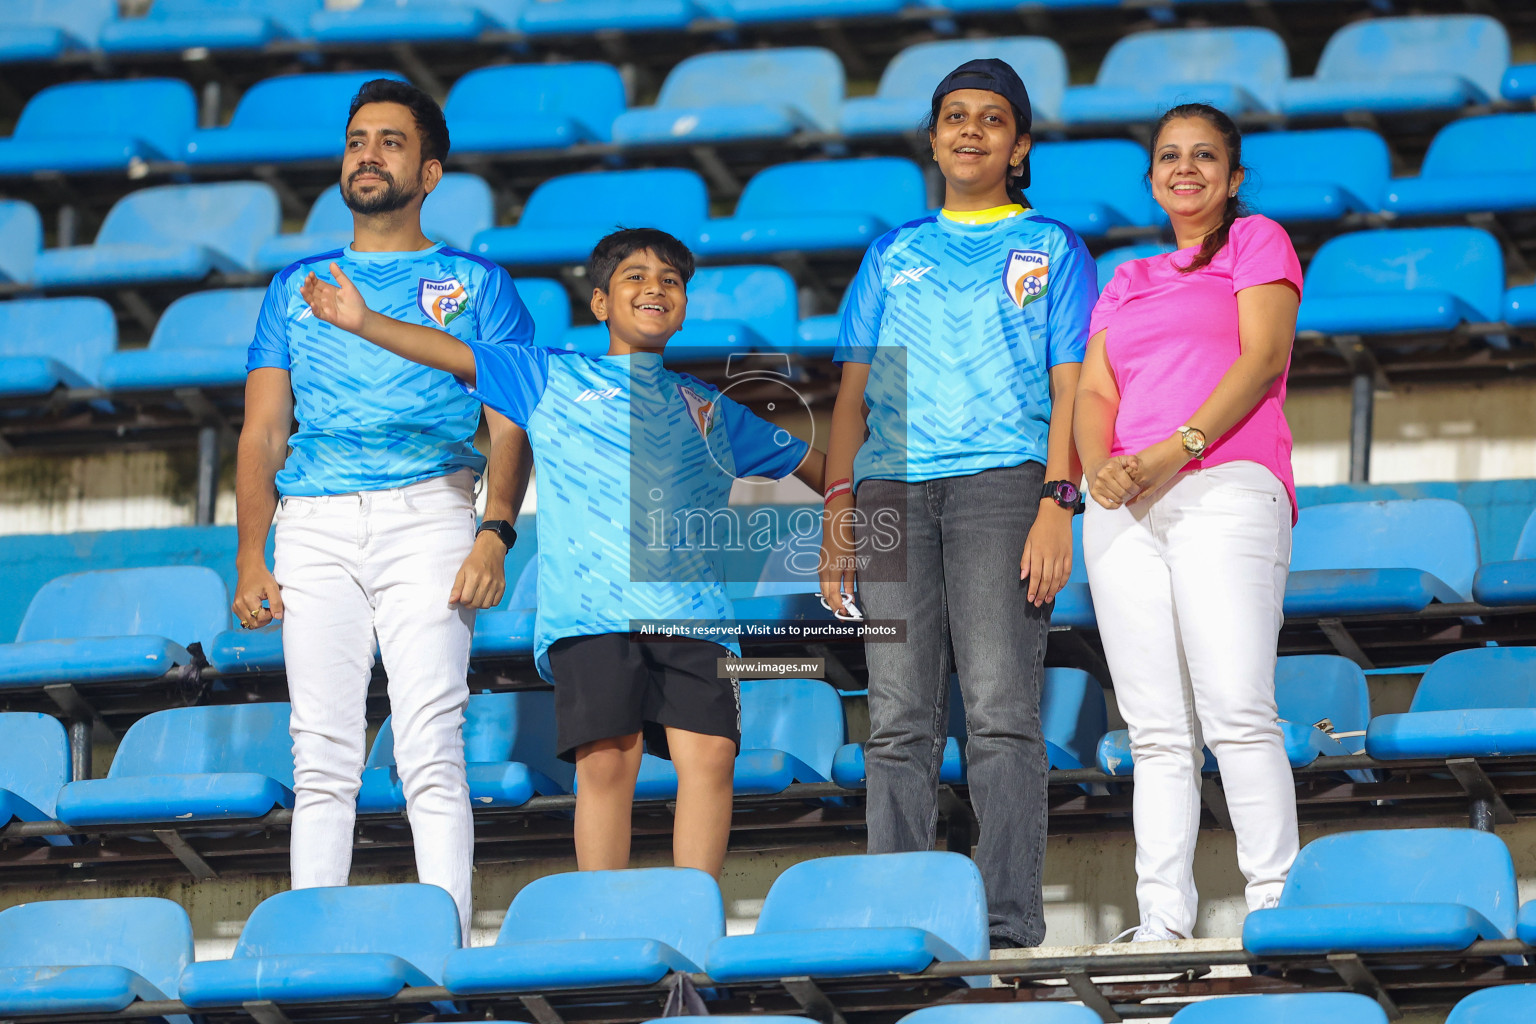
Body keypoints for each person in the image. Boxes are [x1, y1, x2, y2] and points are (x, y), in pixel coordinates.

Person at [297, 226, 826, 877]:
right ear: (601, 303)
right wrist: (363, 320)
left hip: (696, 615)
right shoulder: (548, 374)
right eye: (634, 277)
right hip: (590, 616)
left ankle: (697, 912)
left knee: (712, 758)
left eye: (670, 281)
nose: (654, 289)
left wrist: (858, 501)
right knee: (608, 761)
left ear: (684, 304)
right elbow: (454, 353)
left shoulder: (711, 408)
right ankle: (605, 917)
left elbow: (823, 469)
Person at [231, 79, 535, 942]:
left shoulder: (475, 282)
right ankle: (312, 947)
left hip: (431, 514)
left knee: (429, 749)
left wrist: (494, 528)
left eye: (391, 142)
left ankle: (446, 947)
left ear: (431, 171)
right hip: (313, 526)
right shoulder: (294, 285)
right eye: (358, 139)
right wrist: (253, 554)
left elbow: (511, 422)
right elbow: (260, 436)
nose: (368, 153)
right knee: (320, 754)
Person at [819, 58, 1093, 948]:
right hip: (892, 488)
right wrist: (839, 509)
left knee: (1001, 716)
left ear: (1019, 148)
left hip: (1001, 489)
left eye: (992, 119)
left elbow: (1072, 387)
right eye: (954, 117)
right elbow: (852, 399)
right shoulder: (891, 253)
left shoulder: (1050, 247)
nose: (970, 130)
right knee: (896, 721)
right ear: (933, 139)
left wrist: (1059, 499)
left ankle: (1007, 923)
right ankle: (900, 919)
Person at [1074, 102, 1303, 941]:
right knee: (1157, 732)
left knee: (1238, 708)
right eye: (1170, 155)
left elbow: (1262, 357)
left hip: (1225, 484)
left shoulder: (1257, 242)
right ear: (1151, 177)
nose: (1187, 168)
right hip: (1124, 504)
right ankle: (1163, 920)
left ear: (1233, 178)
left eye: (1206, 156)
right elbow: (1097, 392)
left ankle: (1276, 904)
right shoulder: (1124, 278)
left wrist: (1179, 447)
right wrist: (1101, 465)